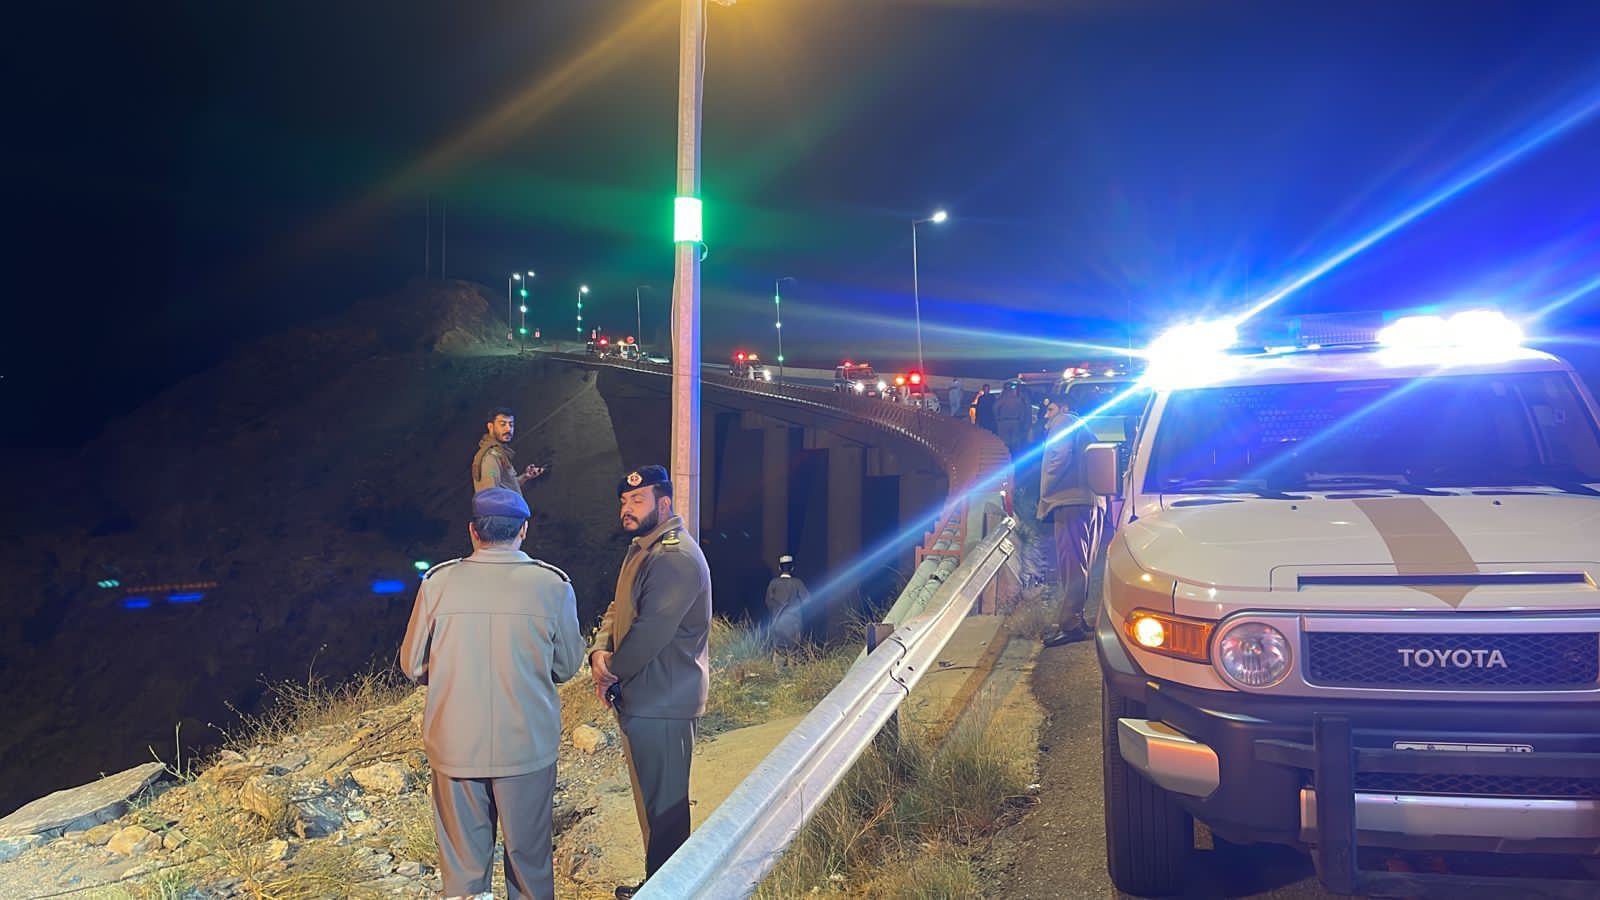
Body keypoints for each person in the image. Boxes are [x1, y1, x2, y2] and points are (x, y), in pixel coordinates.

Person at [399, 487, 584, 900]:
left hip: (455, 747)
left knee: (464, 872)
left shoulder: (438, 584)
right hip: (526, 747)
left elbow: (412, 665)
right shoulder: (552, 586)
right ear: (524, 530)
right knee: (530, 864)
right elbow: (567, 666)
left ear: (473, 531)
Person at [589, 465, 712, 898]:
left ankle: (672, 890)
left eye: (637, 501)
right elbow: (617, 608)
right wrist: (599, 651)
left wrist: (611, 670)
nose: (627, 508)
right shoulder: (643, 550)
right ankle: (657, 886)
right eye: (624, 501)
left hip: (665, 699)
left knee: (667, 809)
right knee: (653, 806)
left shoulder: (673, 557)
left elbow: (652, 631)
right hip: (645, 696)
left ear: (664, 503)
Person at [1037, 394, 1106, 648]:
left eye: (1050, 409)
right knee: (1082, 565)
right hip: (1090, 502)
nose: (1047, 415)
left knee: (1072, 566)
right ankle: (1077, 619)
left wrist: (1045, 491)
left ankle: (1070, 625)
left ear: (1064, 408)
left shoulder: (1064, 421)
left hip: (1070, 502)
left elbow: (1059, 456)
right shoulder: (1082, 426)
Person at [472, 407, 546, 494]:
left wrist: (525, 476)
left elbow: (507, 487)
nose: (508, 429)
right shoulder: (491, 457)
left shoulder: (501, 454)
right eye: (503, 424)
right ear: (490, 427)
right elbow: (491, 494)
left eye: (511, 425)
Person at [765, 554, 809, 649]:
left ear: (779, 568)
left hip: (778, 623)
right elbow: (807, 601)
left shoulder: (773, 583)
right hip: (794, 623)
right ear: (792, 568)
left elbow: (768, 602)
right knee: (794, 653)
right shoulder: (798, 582)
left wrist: (777, 609)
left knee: (779, 652)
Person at [993, 381, 1031, 456]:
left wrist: (997, 418)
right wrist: (1021, 420)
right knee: (1015, 442)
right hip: (1015, 421)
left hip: (1003, 422)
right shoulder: (1018, 399)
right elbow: (1022, 410)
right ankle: (1015, 457)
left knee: (1004, 442)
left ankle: (1005, 456)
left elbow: (995, 407)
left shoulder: (1002, 398)